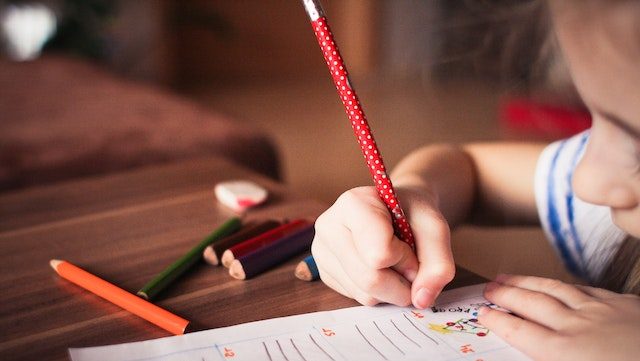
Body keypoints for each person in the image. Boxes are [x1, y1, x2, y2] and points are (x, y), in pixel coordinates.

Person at [310, 1, 640, 360]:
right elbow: (471, 170)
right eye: (592, 123)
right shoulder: (609, 192)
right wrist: (415, 196)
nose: (584, 182)